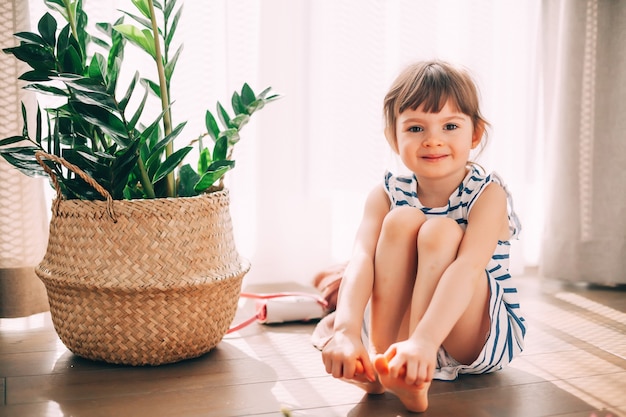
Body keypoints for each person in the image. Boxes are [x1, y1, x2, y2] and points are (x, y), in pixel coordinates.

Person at [319, 60, 525, 412]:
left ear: (475, 135)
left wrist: (426, 342)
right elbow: (362, 259)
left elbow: (469, 268)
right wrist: (346, 331)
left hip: (473, 332)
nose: (433, 140)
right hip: (404, 332)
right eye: (415, 128)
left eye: (450, 126)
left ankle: (417, 362)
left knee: (442, 232)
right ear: (393, 138)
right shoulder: (386, 193)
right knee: (400, 221)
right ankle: (387, 364)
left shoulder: (487, 194)